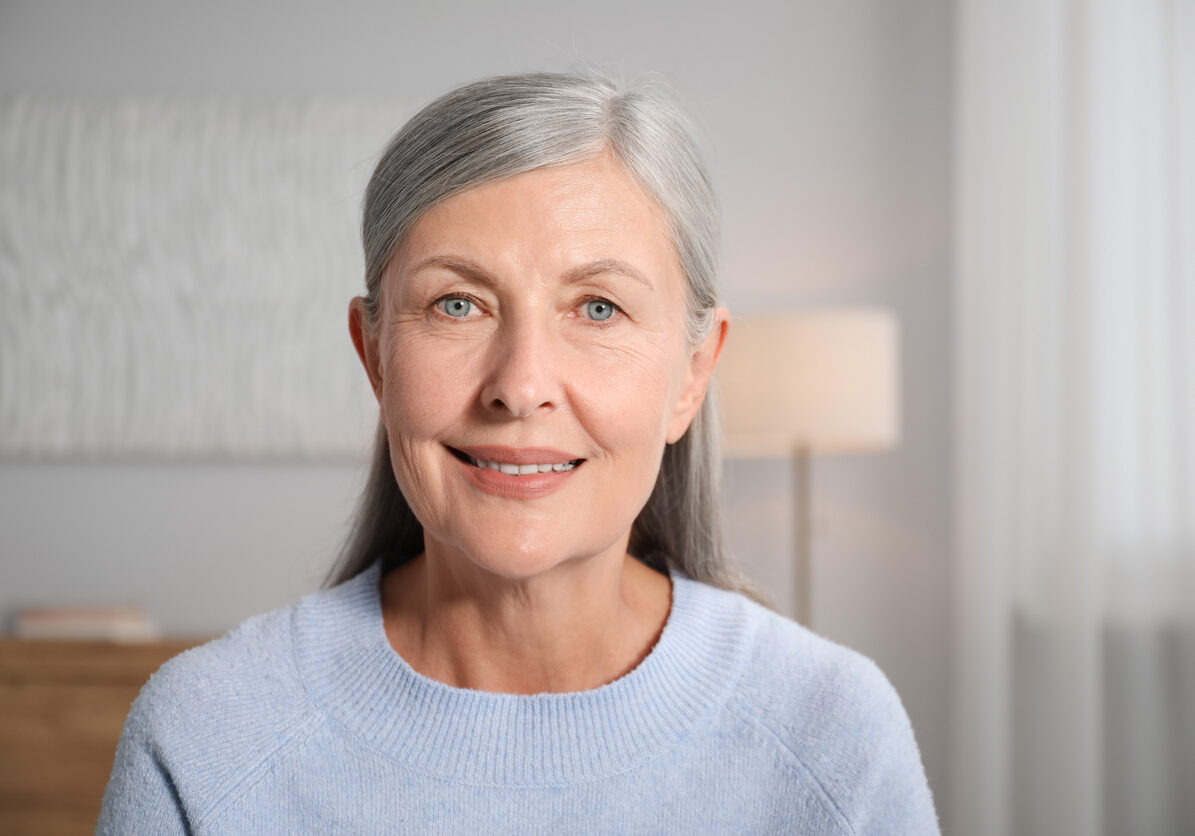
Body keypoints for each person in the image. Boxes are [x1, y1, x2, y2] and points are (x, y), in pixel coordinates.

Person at [99, 72, 939, 834]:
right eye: (458, 304)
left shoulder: (831, 738)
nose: (520, 385)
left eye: (598, 308)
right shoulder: (204, 738)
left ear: (692, 373)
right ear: (375, 356)